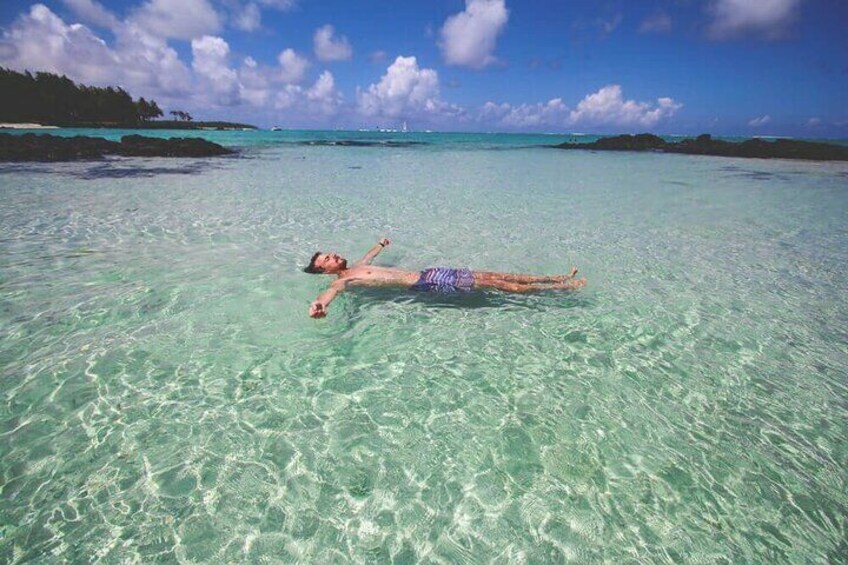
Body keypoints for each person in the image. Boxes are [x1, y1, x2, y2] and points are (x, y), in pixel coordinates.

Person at [304, 238, 586, 318]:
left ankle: (554, 279)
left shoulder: (358, 266)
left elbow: (370, 256)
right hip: (427, 284)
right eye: (326, 259)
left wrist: (380, 244)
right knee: (500, 286)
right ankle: (561, 291)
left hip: (432, 272)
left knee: (495, 275)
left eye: (329, 253)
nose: (333, 255)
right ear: (322, 270)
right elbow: (328, 294)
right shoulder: (341, 281)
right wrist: (320, 305)